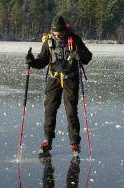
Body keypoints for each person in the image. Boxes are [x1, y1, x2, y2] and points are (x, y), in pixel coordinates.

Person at [26, 15, 92, 155]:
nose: (58, 36)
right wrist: (31, 62)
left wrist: (79, 54)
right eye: (55, 33)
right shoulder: (48, 42)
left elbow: (88, 57)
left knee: (71, 112)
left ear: (65, 30)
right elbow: (42, 61)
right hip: (53, 79)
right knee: (50, 111)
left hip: (71, 79)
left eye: (60, 33)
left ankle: (74, 142)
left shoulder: (74, 39)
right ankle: (47, 140)